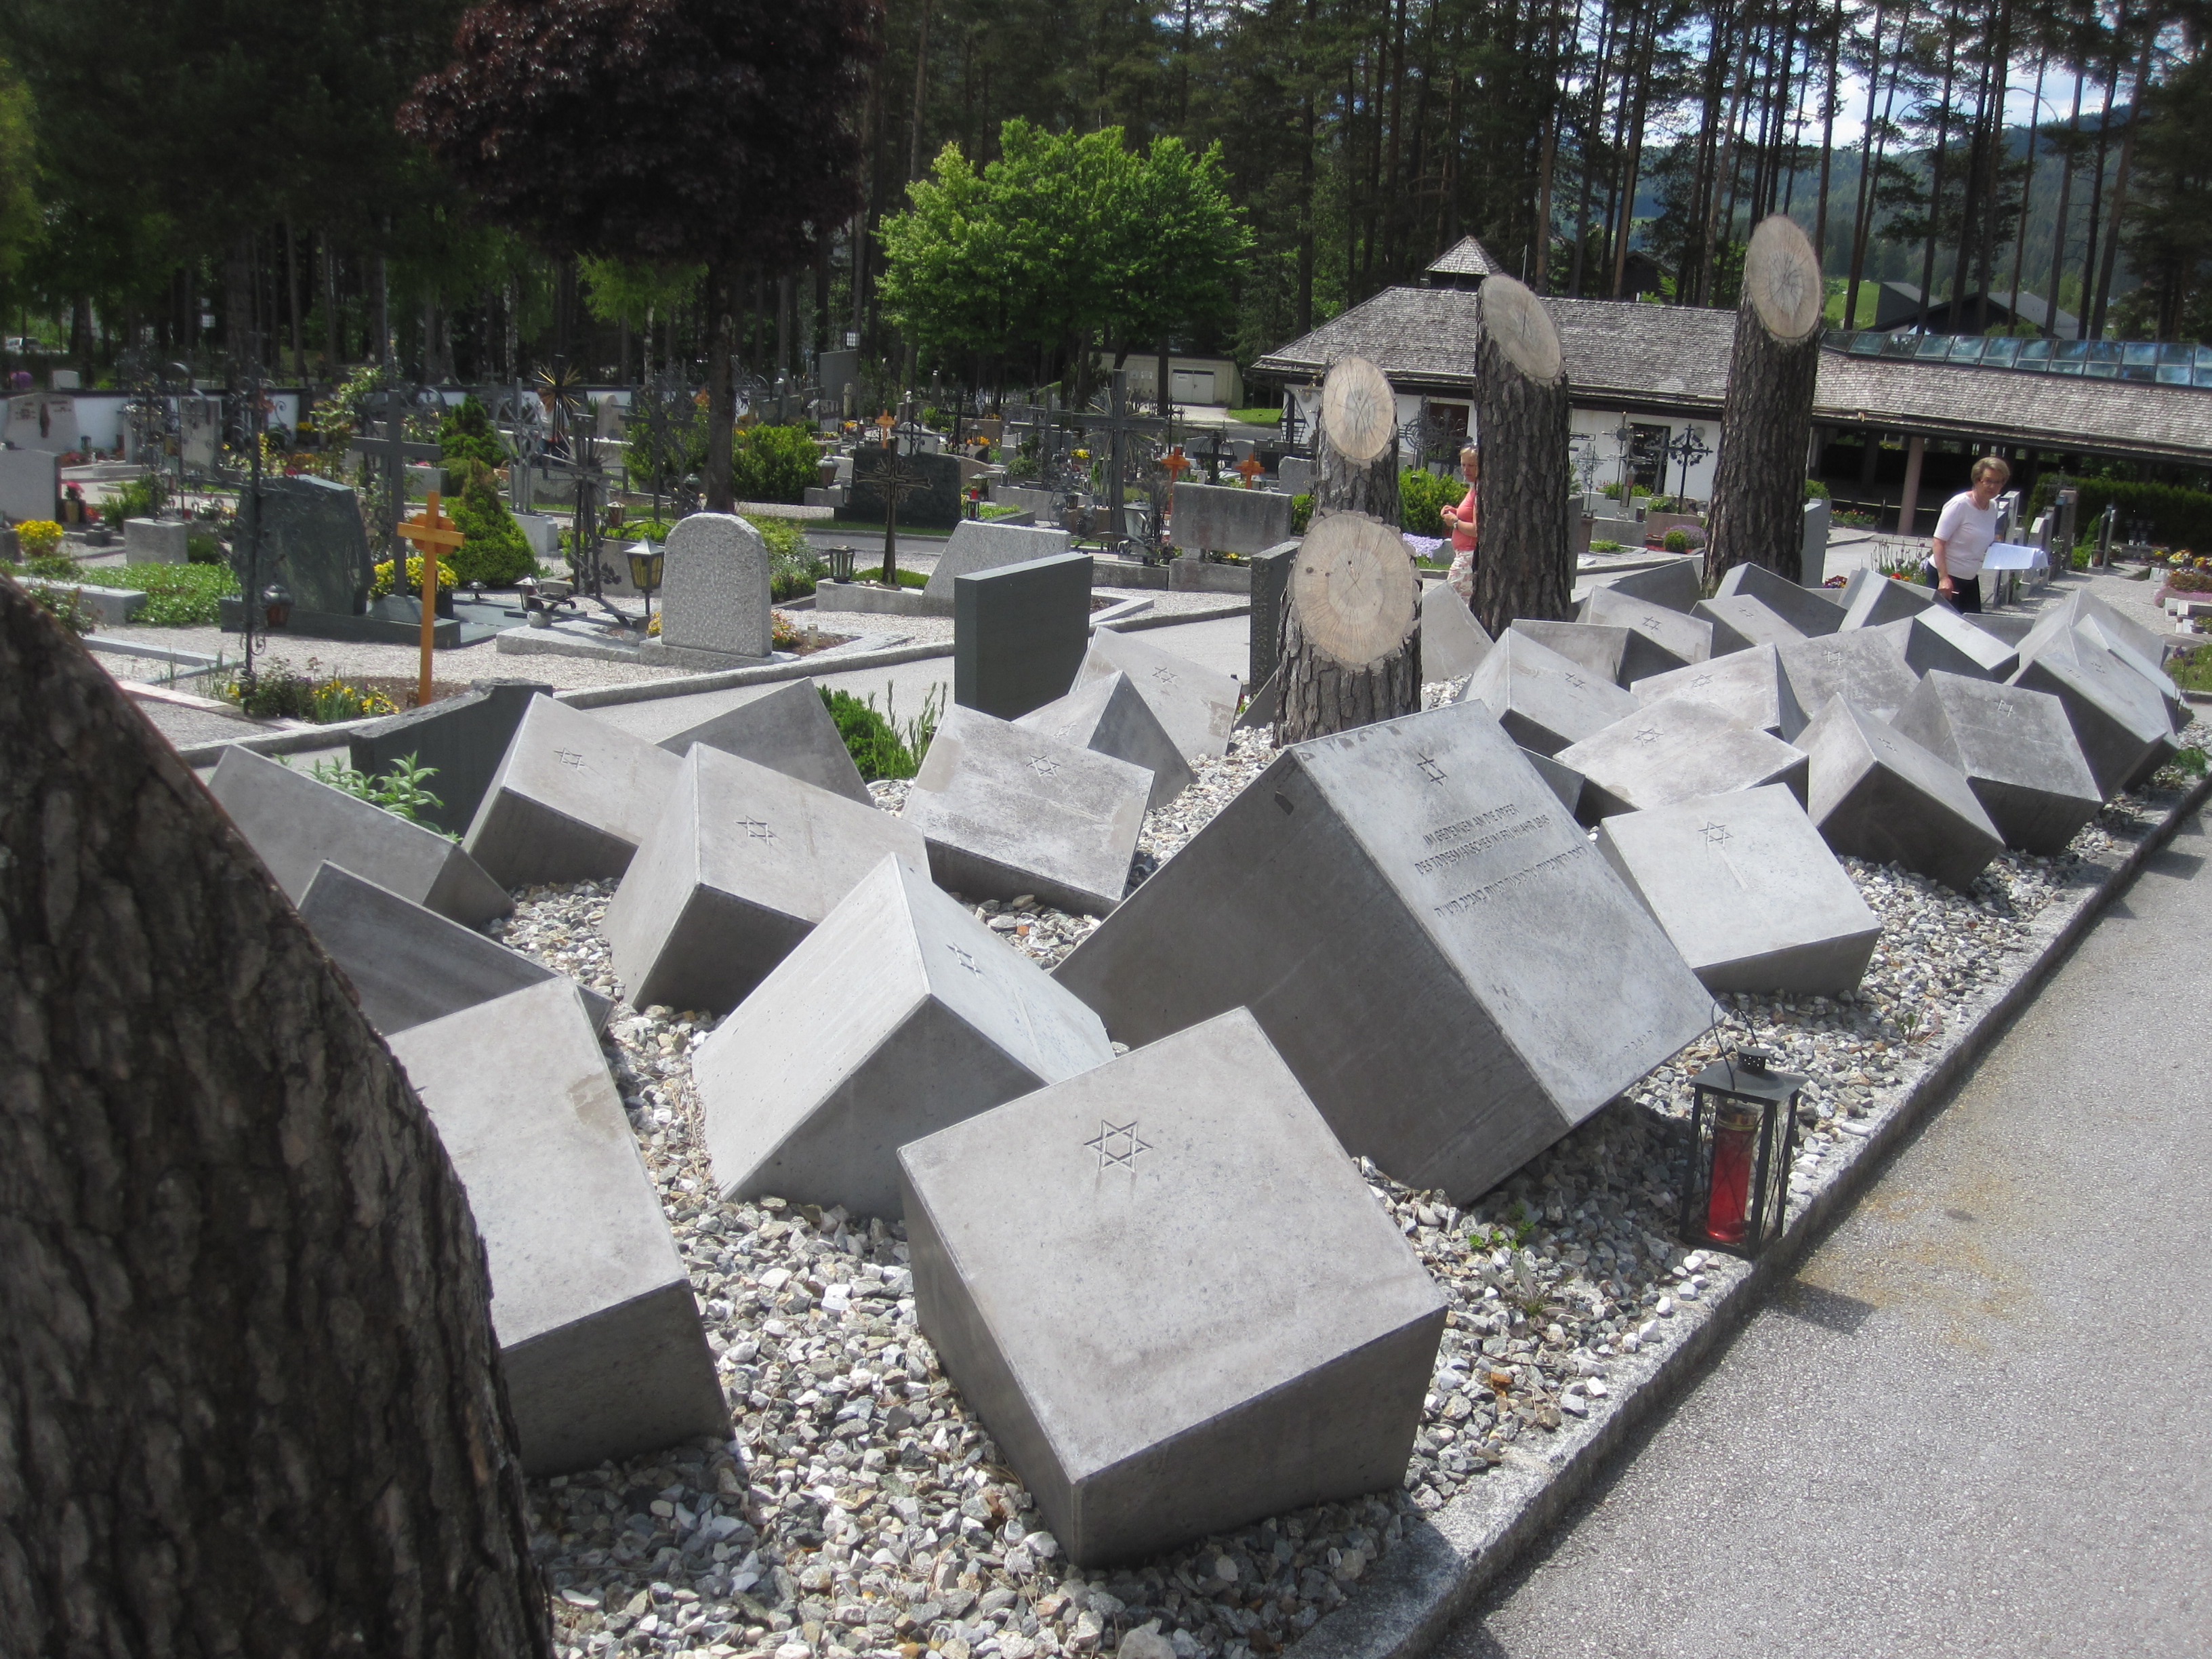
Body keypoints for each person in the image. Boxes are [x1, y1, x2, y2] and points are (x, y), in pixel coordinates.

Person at [1923, 455, 2010, 613]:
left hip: (1970, 578)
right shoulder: (1960, 504)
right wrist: (1944, 579)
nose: (1993, 486)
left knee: (1971, 626)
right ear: (1978, 480)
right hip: (1946, 576)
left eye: (1998, 482)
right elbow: (1939, 542)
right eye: (1988, 480)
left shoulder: (1993, 507)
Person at [1445, 444, 1480, 602]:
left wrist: (1455, 522)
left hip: (1468, 557)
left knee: (1450, 602)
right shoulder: (1473, 488)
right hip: (1462, 554)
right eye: (1463, 465)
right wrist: (1454, 511)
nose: (1466, 470)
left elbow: (1477, 529)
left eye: (1472, 465)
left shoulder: (1480, 491)